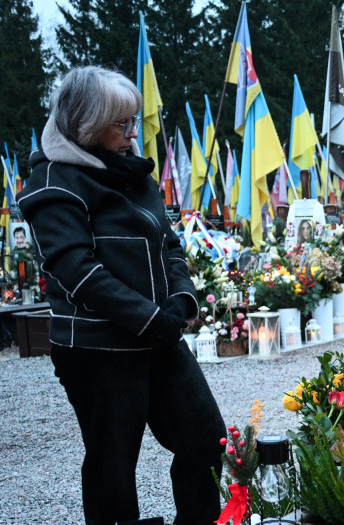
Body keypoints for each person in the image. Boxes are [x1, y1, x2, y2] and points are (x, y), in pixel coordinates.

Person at [18, 66, 225, 525]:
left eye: (134, 121)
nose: (133, 134)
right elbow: (77, 270)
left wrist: (182, 299)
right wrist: (152, 319)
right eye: (121, 123)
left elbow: (168, 242)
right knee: (113, 466)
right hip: (97, 349)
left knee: (206, 440)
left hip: (159, 337)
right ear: (86, 125)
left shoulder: (132, 170)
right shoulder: (53, 182)